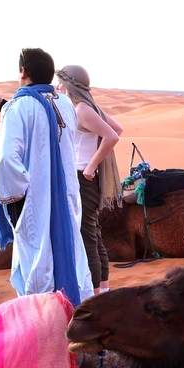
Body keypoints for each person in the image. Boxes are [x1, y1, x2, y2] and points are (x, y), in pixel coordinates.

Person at [0, 48, 93, 305]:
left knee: (38, 262)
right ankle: (75, 312)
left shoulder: (20, 107)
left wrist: (15, 197)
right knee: (71, 254)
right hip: (67, 198)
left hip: (34, 203)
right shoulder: (65, 104)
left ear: (23, 72)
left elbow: (5, 158)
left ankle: (45, 324)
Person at [54, 65, 123, 294]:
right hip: (82, 177)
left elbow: (112, 136)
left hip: (82, 177)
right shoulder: (86, 107)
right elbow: (117, 128)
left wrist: (92, 164)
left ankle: (94, 293)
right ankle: (102, 288)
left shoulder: (82, 109)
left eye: (60, 82)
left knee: (87, 237)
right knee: (93, 233)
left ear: (69, 85)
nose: (57, 87)